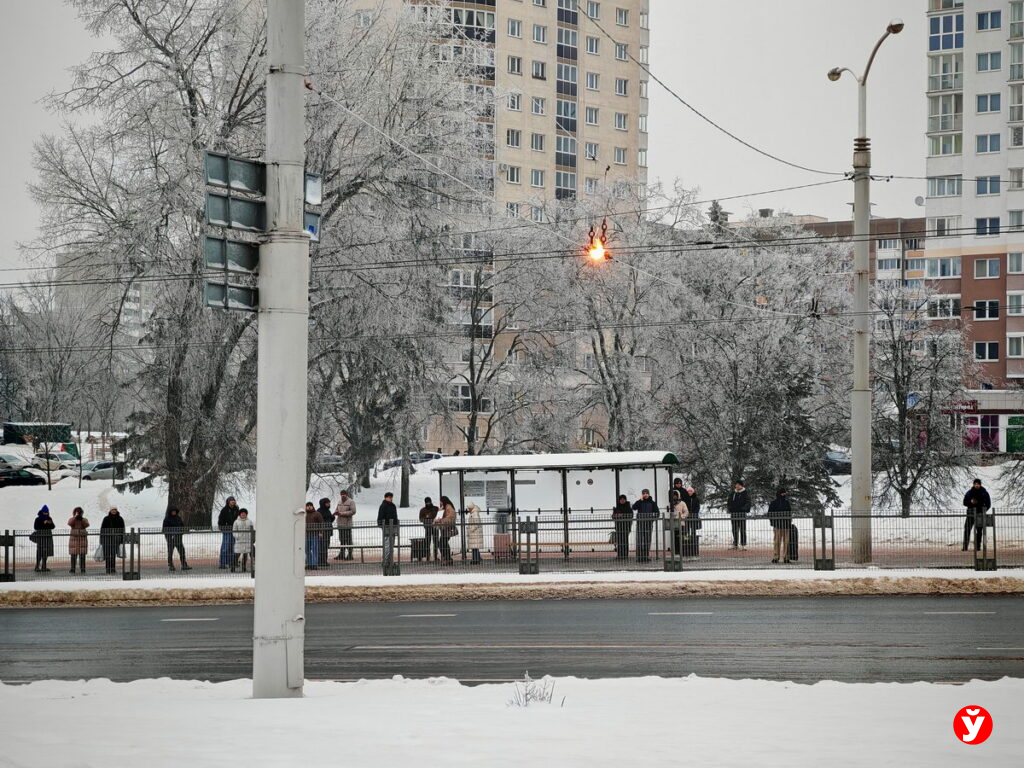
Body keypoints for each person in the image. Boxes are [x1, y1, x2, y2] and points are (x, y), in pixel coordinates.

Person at [962, 478, 991, 552]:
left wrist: (983, 510)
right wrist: (971, 502)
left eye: (978, 484)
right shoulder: (969, 493)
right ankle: (965, 547)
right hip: (970, 514)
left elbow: (988, 504)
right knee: (967, 530)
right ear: (973, 484)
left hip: (980, 514)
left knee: (979, 531)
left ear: (980, 485)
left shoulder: (984, 493)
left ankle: (978, 547)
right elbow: (964, 502)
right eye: (975, 484)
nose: (977, 485)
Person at [767, 488, 793, 564]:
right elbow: (770, 514)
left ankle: (786, 557)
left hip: (785, 525)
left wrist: (789, 522)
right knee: (777, 542)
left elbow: (789, 513)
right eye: (782, 493)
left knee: (786, 542)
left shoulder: (787, 503)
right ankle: (776, 557)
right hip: (777, 526)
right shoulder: (773, 503)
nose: (784, 495)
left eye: (784, 493)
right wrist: (773, 523)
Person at [632, 489, 659, 562]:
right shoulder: (640, 502)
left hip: (648, 524)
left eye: (646, 493)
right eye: (643, 493)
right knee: (639, 540)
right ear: (642, 494)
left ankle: (646, 556)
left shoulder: (652, 503)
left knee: (647, 540)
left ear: (649, 494)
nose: (645, 494)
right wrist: (639, 500)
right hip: (640, 524)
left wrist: (651, 520)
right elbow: (634, 507)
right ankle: (639, 557)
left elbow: (657, 513)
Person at [162, 506, 190, 571]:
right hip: (170, 538)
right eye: (173, 511)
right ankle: (170, 565)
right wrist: (169, 535)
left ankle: (184, 564)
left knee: (182, 551)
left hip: (178, 538)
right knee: (170, 552)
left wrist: (181, 532)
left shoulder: (178, 518)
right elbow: (164, 529)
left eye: (175, 511)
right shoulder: (167, 519)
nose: (174, 512)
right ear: (170, 512)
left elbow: (182, 526)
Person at [100, 508, 125, 575]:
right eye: (112, 510)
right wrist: (101, 539)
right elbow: (102, 529)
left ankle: (113, 568)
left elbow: (123, 529)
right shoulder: (106, 518)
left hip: (116, 539)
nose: (114, 511)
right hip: (107, 539)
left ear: (117, 511)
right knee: (107, 554)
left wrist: (122, 539)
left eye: (115, 510)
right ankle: (108, 569)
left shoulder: (120, 518)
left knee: (113, 554)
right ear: (110, 511)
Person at [377, 492, 399, 568]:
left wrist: (395, 524)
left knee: (391, 545)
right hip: (386, 527)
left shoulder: (393, 506)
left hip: (393, 527)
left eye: (391, 497)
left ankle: (390, 560)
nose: (391, 498)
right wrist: (381, 525)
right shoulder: (383, 506)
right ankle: (386, 561)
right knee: (387, 545)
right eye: (389, 497)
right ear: (385, 497)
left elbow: (395, 516)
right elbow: (380, 517)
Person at [727, 480, 751, 549]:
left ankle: (743, 545)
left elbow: (748, 503)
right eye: (736, 484)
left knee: (742, 529)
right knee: (734, 529)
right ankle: (735, 544)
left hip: (742, 514)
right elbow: (729, 502)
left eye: (738, 484)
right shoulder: (733, 493)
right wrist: (730, 508)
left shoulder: (745, 493)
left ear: (741, 485)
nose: (736, 486)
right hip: (734, 514)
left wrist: (743, 509)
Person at [217, 496, 240, 569]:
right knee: (225, 547)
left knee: (232, 547)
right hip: (226, 530)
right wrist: (223, 527)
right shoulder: (224, 510)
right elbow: (220, 520)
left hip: (234, 530)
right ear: (228, 502)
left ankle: (231, 562)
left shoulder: (237, 509)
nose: (233, 501)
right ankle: (222, 563)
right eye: (231, 500)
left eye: (234, 500)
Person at [333, 491, 356, 560]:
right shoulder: (339, 501)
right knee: (342, 540)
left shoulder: (351, 502)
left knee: (348, 539)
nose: (343, 495)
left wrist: (342, 513)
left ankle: (350, 554)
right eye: (342, 494)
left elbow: (353, 511)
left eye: (344, 494)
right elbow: (337, 509)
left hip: (347, 524)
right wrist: (336, 512)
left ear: (347, 495)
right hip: (340, 523)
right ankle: (341, 554)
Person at [435, 496, 457, 566]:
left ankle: (447, 559)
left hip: (447, 528)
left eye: (441, 501)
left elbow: (450, 517)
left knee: (442, 543)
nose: (440, 502)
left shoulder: (448, 507)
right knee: (443, 543)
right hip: (444, 528)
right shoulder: (444, 507)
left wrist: (441, 520)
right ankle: (447, 558)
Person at [32, 506, 55, 572]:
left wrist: (49, 523)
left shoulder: (49, 518)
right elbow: (36, 527)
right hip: (41, 537)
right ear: (42, 512)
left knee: (46, 552)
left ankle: (44, 567)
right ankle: (37, 566)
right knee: (39, 551)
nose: (46, 513)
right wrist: (43, 523)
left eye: (47, 512)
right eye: (45, 512)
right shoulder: (38, 519)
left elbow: (53, 526)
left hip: (48, 537)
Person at [68, 507, 89, 574]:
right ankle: (72, 569)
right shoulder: (72, 519)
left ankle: (83, 569)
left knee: (82, 556)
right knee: (73, 555)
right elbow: (69, 523)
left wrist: (82, 519)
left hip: (82, 540)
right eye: (77, 512)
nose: (79, 513)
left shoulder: (84, 519)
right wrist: (75, 517)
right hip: (74, 540)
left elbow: (87, 525)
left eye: (79, 512)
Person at [611, 494, 633, 559]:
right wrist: (616, 515)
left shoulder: (628, 508)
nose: (622, 501)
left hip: (626, 527)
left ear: (625, 500)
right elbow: (613, 516)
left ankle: (625, 555)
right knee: (620, 542)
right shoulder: (617, 507)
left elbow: (630, 516)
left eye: (623, 499)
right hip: (619, 527)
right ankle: (619, 555)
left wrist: (621, 515)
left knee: (625, 542)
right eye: (621, 499)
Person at [419, 496, 439, 561]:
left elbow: (439, 514)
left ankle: (435, 556)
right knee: (427, 542)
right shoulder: (423, 510)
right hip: (427, 527)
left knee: (436, 542)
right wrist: (426, 518)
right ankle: (428, 556)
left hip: (435, 527)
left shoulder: (435, 508)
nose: (428, 503)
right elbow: (420, 519)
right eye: (427, 502)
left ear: (431, 501)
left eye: (429, 502)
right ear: (425, 503)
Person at [304, 502, 321, 569]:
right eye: (307, 506)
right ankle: (309, 563)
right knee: (307, 550)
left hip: (315, 534)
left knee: (314, 549)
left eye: (310, 505)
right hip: (306, 535)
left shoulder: (317, 514)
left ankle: (314, 564)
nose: (309, 507)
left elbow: (321, 523)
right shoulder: (304, 514)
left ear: (313, 506)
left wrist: (321, 532)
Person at [317, 497, 333, 565]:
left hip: (328, 531)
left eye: (329, 503)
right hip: (322, 531)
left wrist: (332, 517)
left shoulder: (328, 511)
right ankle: (320, 561)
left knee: (326, 546)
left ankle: (324, 561)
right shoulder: (319, 511)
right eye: (327, 503)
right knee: (321, 546)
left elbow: (329, 520)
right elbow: (319, 521)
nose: (328, 504)